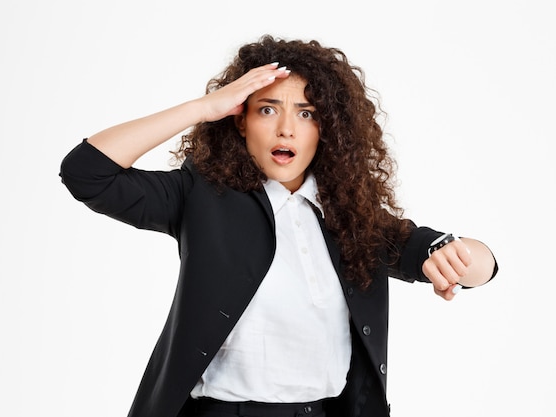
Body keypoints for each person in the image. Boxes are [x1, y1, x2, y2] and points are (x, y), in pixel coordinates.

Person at [60, 35, 497, 417]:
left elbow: (477, 266)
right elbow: (87, 172)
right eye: (267, 109)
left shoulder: (352, 218)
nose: (286, 129)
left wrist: (459, 255)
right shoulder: (200, 196)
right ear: (241, 119)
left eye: (307, 114)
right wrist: (202, 107)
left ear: (327, 129)